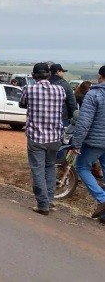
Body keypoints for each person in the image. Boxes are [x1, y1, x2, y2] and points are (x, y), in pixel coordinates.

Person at [19, 62, 66, 215]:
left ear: (34, 76)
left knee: (37, 170)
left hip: (36, 137)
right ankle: (50, 199)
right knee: (50, 167)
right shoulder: (60, 89)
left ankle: (43, 204)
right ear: (49, 74)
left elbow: (22, 104)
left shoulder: (29, 89)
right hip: (55, 137)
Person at [71, 65, 105, 220]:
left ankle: (102, 199)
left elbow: (84, 122)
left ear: (100, 76)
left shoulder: (94, 94)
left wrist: (77, 142)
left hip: (94, 141)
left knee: (82, 166)